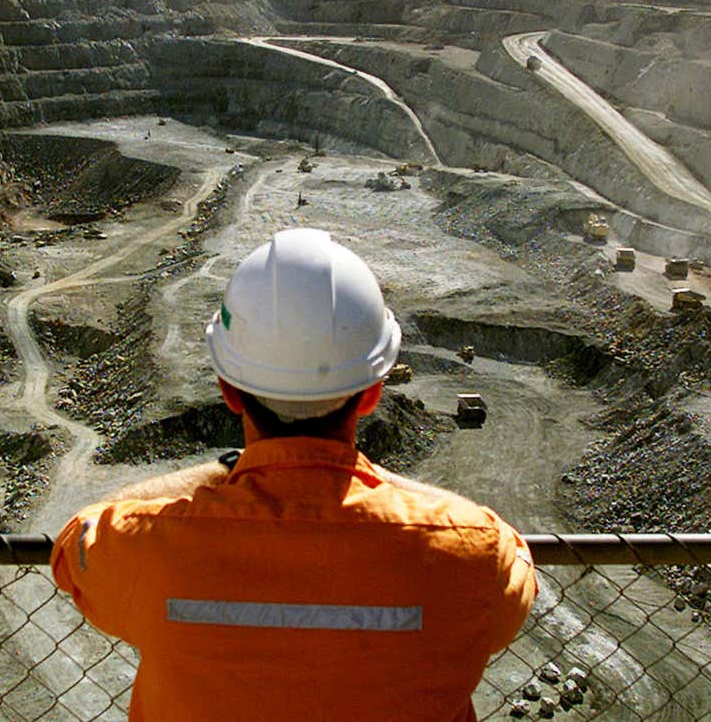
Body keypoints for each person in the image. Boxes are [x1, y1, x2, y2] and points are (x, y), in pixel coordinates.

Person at [52, 227, 536, 721]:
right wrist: (371, 478)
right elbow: (513, 563)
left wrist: (226, 469)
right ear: (371, 395)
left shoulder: (149, 548)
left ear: (229, 391)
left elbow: (78, 542)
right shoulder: (470, 551)